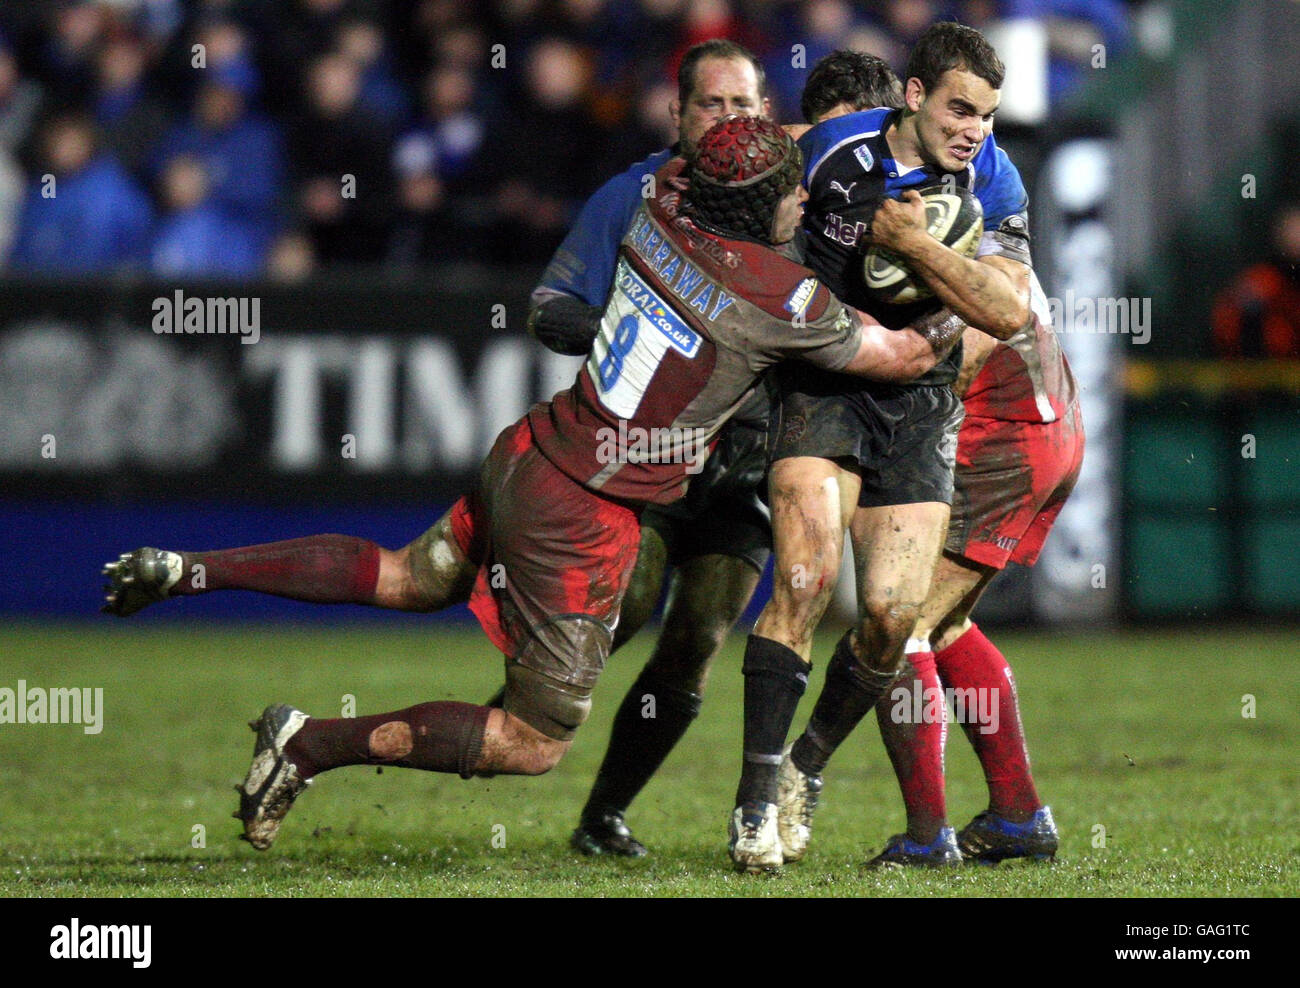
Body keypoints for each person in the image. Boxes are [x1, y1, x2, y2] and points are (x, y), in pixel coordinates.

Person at [103, 115, 962, 853]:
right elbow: (909, 355)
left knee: (410, 576)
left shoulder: (661, 200)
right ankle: (309, 744)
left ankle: (190, 570)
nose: (804, 201)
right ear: (755, 205)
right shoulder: (779, 298)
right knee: (532, 740)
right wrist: (943, 257)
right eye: (791, 191)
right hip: (585, 511)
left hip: (533, 446)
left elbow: (700, 162)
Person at [728, 23, 1037, 873]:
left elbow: (1008, 313)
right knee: (803, 577)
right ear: (912, 95)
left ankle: (804, 768)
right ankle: (753, 807)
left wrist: (912, 245)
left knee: (894, 619)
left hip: (922, 399)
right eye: (960, 108)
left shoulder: (995, 176)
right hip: (824, 385)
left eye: (987, 114)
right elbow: (751, 204)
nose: (975, 128)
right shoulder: (830, 147)